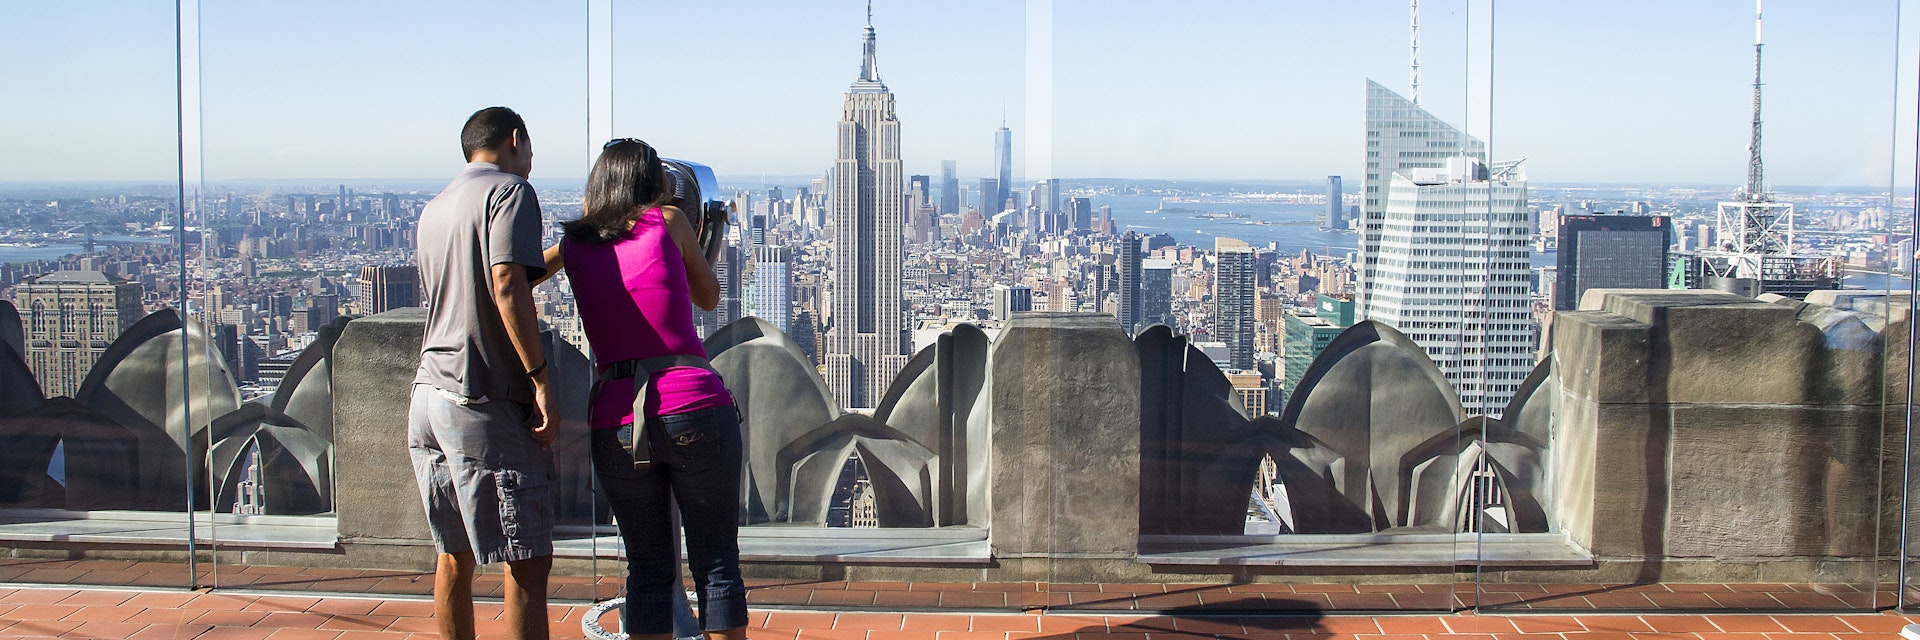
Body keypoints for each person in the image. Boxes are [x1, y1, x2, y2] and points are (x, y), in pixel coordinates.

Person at [557, 138, 747, 640]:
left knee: (646, 568)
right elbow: (707, 296)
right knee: (717, 564)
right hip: (693, 403)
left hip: (616, 418)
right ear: (652, 183)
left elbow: (518, 273)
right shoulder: (668, 222)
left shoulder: (574, 245)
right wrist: (713, 232)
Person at [409, 106, 559, 640]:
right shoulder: (510, 192)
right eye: (532, 147)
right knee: (527, 559)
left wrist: (561, 254)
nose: (533, 159)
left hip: (428, 395)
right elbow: (503, 285)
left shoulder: (437, 207)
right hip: (481, 398)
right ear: (515, 139)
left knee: (454, 555)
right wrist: (539, 376)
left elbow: (488, 280)